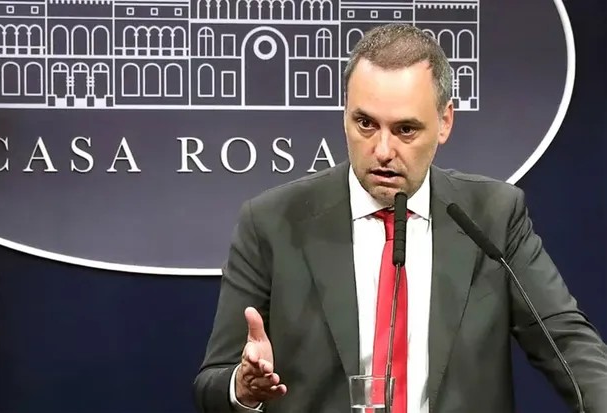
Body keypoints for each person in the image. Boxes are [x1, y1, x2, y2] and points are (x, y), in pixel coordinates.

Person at [193, 23, 607, 412]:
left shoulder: (493, 216)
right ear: (345, 114)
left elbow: (568, 343)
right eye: (365, 124)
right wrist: (242, 387)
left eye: (406, 129)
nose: (383, 150)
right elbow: (212, 384)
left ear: (445, 122)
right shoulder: (272, 222)